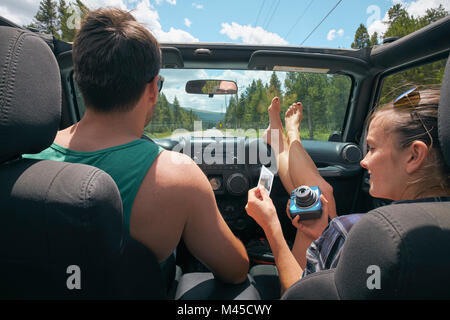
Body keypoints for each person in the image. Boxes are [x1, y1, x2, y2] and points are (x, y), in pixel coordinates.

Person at [23, 8, 249, 285]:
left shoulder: (21, 158)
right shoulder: (178, 176)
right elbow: (235, 270)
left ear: (80, 82)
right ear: (153, 89)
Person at [246, 88, 450, 295]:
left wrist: (271, 226)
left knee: (318, 194)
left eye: (371, 148)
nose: (363, 161)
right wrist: (325, 236)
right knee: (315, 196)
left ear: (414, 156)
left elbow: (295, 293)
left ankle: (283, 137)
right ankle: (284, 137)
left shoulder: (358, 231)